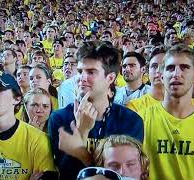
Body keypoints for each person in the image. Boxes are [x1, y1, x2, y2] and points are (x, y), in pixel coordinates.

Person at [48, 41, 143, 180]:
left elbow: (122, 175)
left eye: (91, 72)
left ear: (110, 78)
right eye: (80, 71)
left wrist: (80, 151)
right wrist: (81, 131)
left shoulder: (131, 121)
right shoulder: (59, 118)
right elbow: (65, 174)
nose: (82, 78)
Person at [139, 44, 194, 179]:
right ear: (162, 77)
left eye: (184, 68)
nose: (176, 74)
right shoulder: (141, 119)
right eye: (170, 68)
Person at [126, 47, 165, 112]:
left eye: (164, 66)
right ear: (147, 70)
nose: (158, 70)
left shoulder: (184, 105)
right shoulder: (134, 106)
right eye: (154, 66)